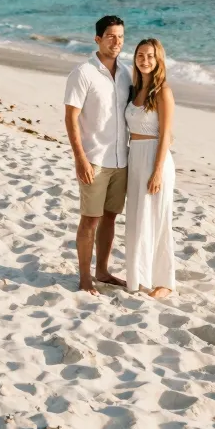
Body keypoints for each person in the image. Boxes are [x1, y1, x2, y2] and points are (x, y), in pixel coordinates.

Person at [64, 15, 130, 295]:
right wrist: (80, 159)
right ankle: (84, 278)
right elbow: (70, 118)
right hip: (94, 159)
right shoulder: (83, 73)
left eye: (121, 37)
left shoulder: (127, 73)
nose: (116, 42)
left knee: (110, 217)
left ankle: (102, 271)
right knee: (90, 219)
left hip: (121, 160)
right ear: (98, 39)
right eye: (111, 36)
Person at [124, 38, 176, 297]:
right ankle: (139, 277)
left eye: (150, 56)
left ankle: (164, 282)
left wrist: (157, 171)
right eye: (141, 55)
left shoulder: (163, 91)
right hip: (135, 158)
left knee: (157, 219)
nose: (145, 60)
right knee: (137, 219)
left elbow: (166, 134)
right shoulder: (133, 90)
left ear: (158, 61)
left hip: (156, 158)